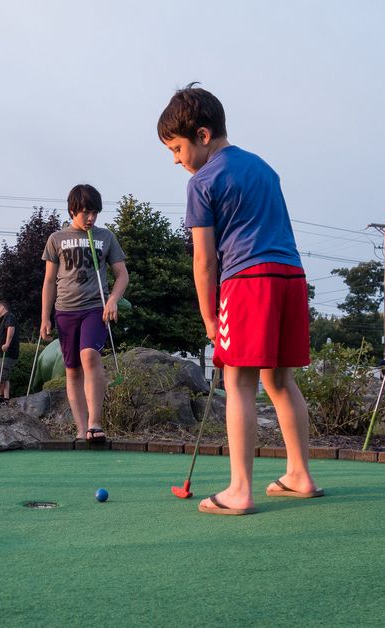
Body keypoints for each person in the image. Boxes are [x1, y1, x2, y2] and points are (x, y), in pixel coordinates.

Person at [158, 83, 320, 515]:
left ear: (203, 135)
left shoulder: (202, 181)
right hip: (290, 276)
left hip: (248, 281)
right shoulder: (264, 167)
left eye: (176, 148)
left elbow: (204, 260)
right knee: (279, 379)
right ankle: (299, 475)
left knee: (238, 381)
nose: (176, 159)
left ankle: (239, 490)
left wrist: (209, 316)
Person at [40, 184, 129, 443]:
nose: (91, 218)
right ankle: (81, 430)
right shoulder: (56, 239)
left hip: (94, 308)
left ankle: (95, 423)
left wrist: (113, 299)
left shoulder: (106, 237)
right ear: (72, 210)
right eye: (85, 213)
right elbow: (48, 281)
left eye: (95, 213)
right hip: (65, 311)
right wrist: (45, 317)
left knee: (89, 356)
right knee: (72, 370)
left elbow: (122, 274)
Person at [0, 301, 19, 403]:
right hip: (0, 353)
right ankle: (6, 399)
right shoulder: (3, 320)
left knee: (0, 376)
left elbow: (11, 328)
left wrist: (7, 343)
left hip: (6, 353)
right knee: (4, 377)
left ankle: (0, 398)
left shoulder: (9, 316)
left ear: (2, 307)